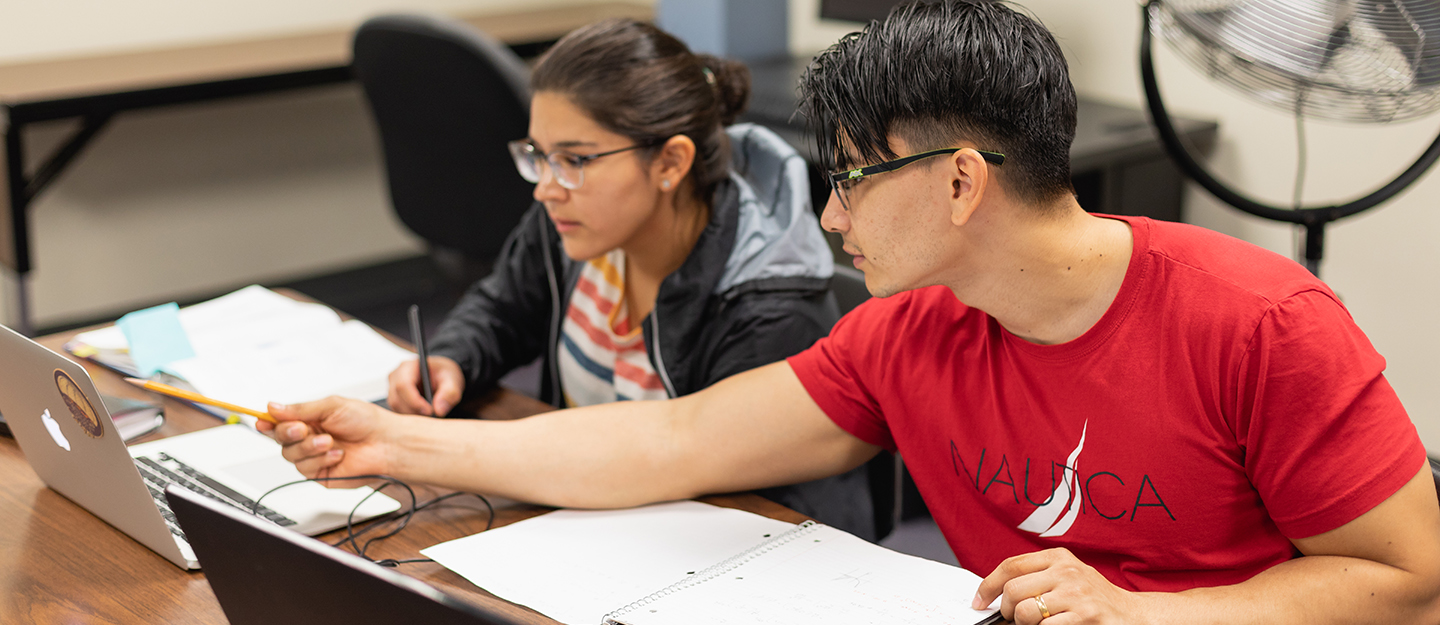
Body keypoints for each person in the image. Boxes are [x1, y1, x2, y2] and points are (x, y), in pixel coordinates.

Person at [262, 2, 1440, 623]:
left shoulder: (1263, 320)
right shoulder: (907, 333)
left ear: (962, 181)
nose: (829, 219)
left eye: (852, 181)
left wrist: (1142, 613)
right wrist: (399, 442)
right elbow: (670, 440)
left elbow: (1405, 581)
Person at [380, 18, 874, 539]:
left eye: (573, 159)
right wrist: (453, 356)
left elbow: (748, 508)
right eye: (539, 157)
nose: (546, 187)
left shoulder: (767, 307)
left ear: (670, 162)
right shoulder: (579, 222)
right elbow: (504, 308)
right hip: (589, 512)